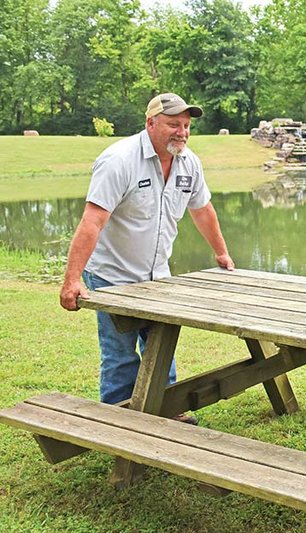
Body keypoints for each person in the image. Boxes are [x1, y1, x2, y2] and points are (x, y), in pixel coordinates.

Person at [60, 93, 235, 423]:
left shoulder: (189, 163)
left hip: (158, 275)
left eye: (186, 126)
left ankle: (167, 412)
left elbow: (202, 210)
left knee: (161, 346)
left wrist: (221, 252)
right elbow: (93, 220)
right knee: (120, 355)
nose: (181, 132)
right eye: (173, 124)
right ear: (150, 123)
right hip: (114, 276)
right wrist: (72, 278)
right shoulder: (119, 160)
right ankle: (118, 420)